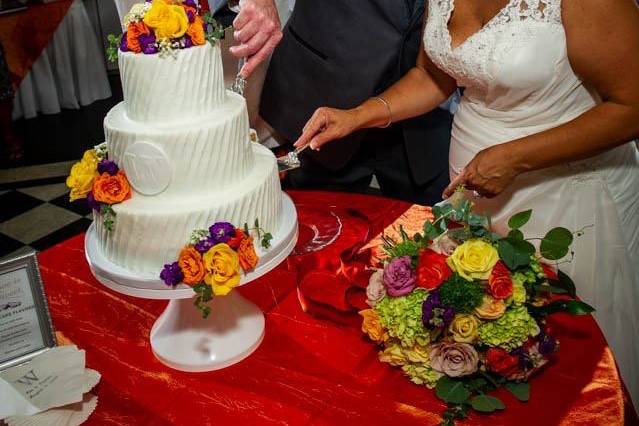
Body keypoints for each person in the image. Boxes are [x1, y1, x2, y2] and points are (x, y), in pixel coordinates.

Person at [291, 0, 639, 411]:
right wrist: (358, 116)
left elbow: (630, 106)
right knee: (485, 346)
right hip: (471, 191)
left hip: (565, 193)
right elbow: (432, 75)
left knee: (568, 361)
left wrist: (516, 158)